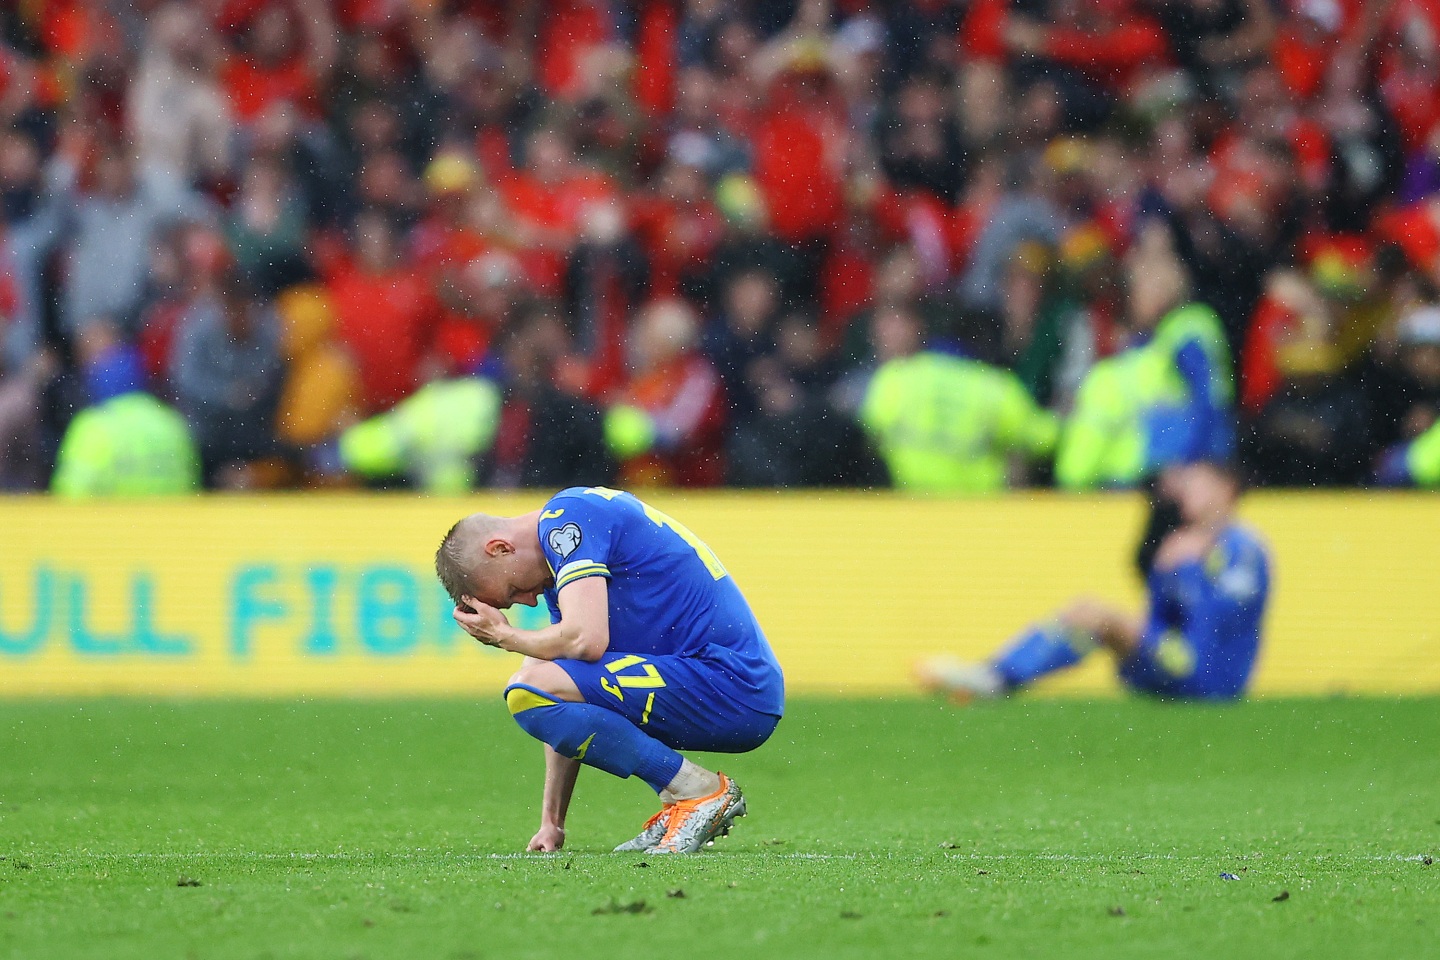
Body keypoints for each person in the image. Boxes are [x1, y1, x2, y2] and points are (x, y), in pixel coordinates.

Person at [435, 485, 784, 854]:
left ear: (500, 548)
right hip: (715, 683)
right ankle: (685, 796)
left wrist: (506, 636)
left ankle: (697, 790)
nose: (528, 599)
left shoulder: (566, 516)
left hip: (732, 682)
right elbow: (555, 684)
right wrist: (551, 822)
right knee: (532, 684)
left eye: (511, 591)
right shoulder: (563, 569)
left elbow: (587, 641)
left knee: (531, 683)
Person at [917, 460, 1270, 701]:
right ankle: (996, 673)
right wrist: (1168, 570)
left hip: (1212, 676)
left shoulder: (1243, 547)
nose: (1187, 492)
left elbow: (1221, 622)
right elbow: (1160, 612)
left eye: (1199, 484)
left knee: (1098, 614)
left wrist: (1191, 570)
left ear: (1227, 490)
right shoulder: (1181, 543)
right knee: (1087, 614)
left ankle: (995, 677)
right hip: (1175, 663)